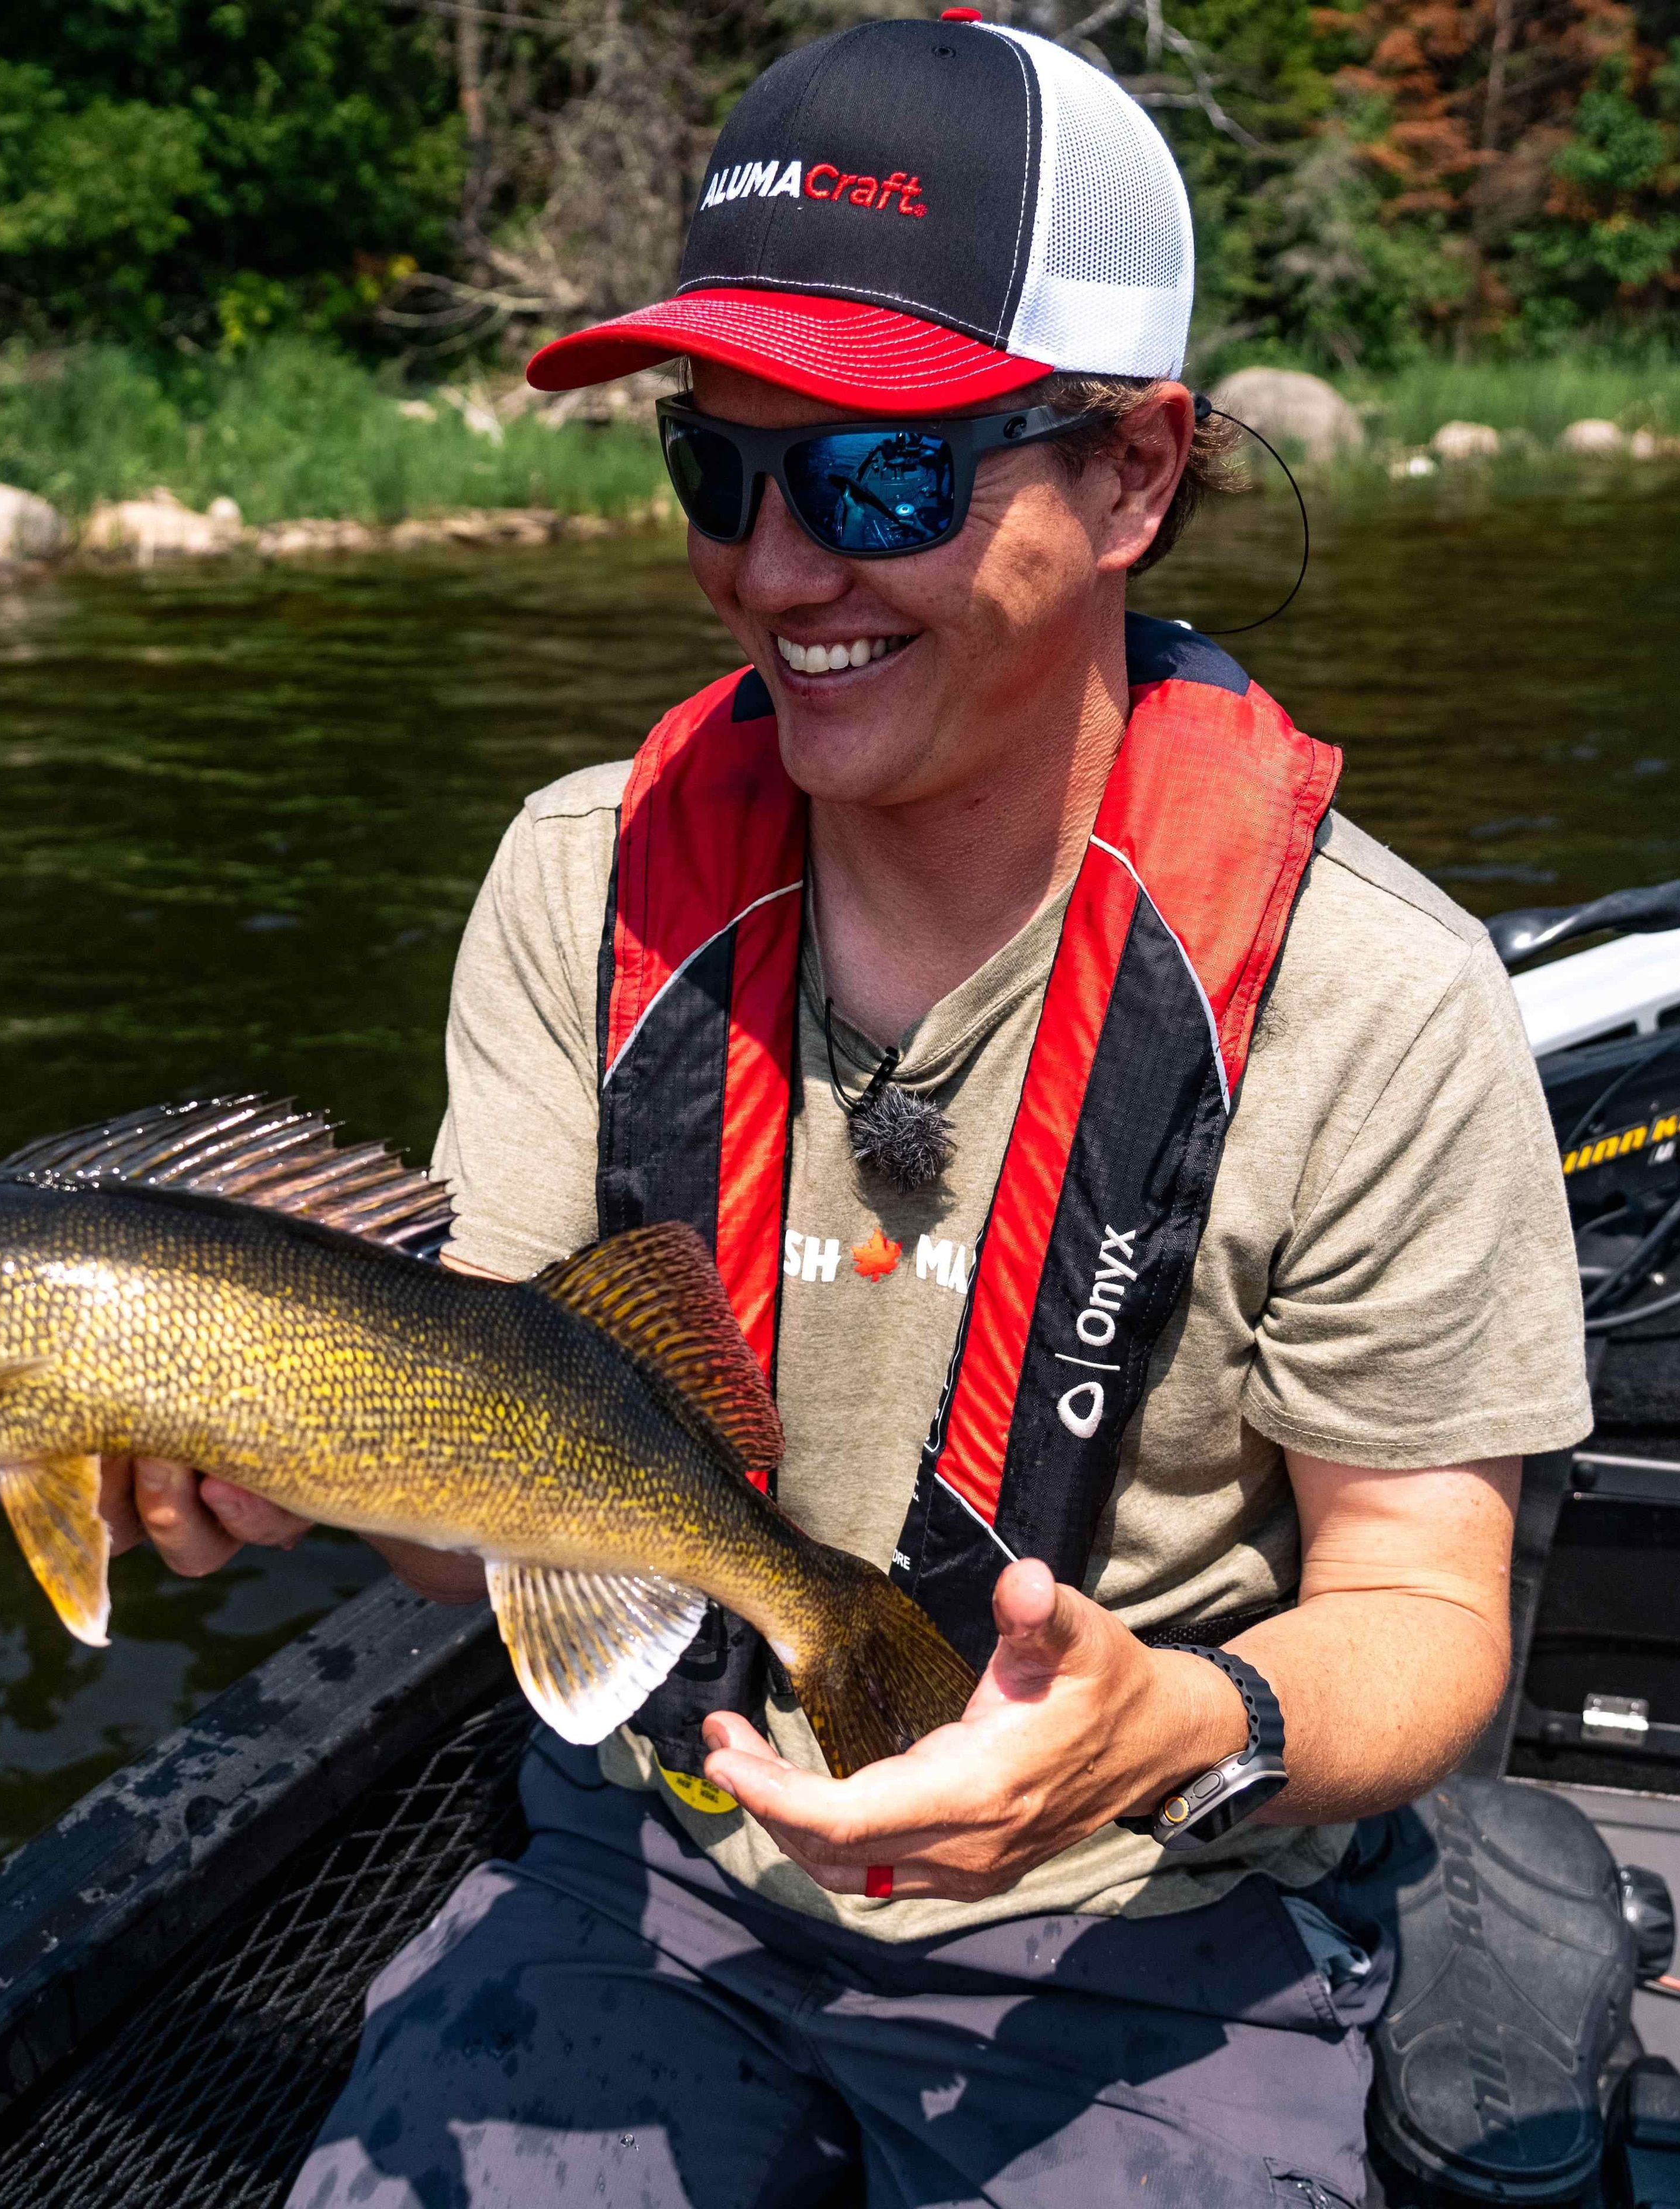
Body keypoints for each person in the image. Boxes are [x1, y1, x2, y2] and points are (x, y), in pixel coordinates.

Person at [105, 14, 1589, 2204]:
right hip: (653, 1874)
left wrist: (1181, 1731)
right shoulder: (581, 879)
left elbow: (1429, 1612)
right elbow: (504, 1518)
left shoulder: (1376, 997)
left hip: (1149, 1935)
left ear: (1133, 476)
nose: (777, 570)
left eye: (881, 475)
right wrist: (296, 1462)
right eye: (723, 469)